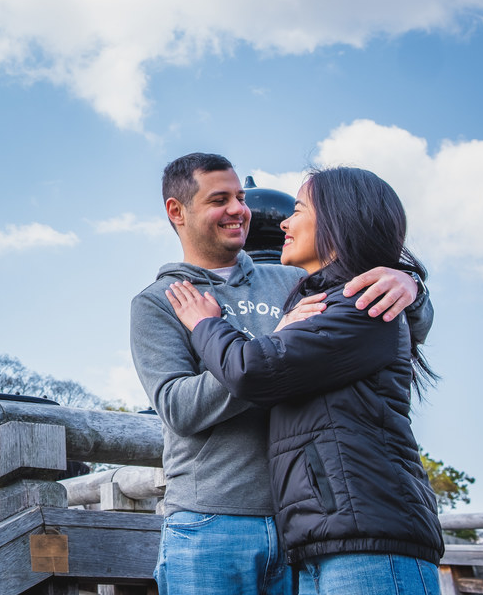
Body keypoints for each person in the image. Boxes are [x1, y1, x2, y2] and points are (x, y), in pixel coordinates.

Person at [129, 153, 432, 595]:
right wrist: (271, 352)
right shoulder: (160, 301)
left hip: (308, 526)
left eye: (240, 197)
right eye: (219, 200)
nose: (239, 209)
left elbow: (394, 325)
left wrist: (411, 286)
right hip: (212, 520)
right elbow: (179, 408)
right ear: (177, 211)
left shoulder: (293, 277)